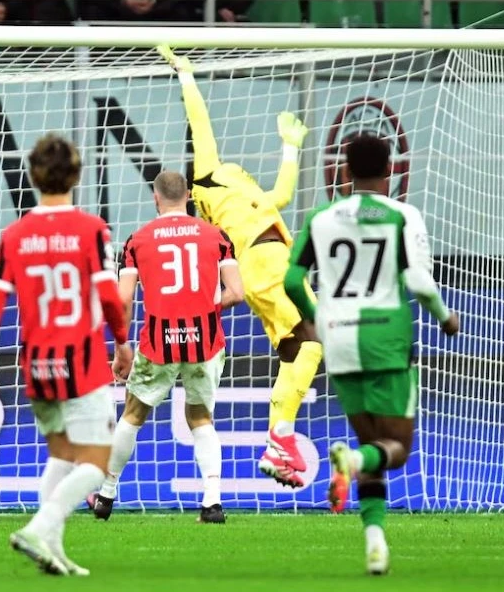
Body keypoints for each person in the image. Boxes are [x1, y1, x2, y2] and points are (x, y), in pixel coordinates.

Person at [284, 133, 459, 575]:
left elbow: (290, 281)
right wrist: (444, 316)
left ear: (344, 172)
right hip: (387, 339)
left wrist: (314, 317)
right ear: (390, 171)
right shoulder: (399, 216)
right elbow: (417, 280)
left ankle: (376, 544)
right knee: (395, 448)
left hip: (339, 338)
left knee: (372, 444)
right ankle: (355, 463)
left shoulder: (321, 218)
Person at [0, 133, 133, 576]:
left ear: (32, 176)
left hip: (36, 361)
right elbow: (109, 297)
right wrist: (121, 341)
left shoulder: (15, 234)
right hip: (79, 357)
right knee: (97, 463)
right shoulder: (91, 230)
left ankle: (51, 551)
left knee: (61, 454)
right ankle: (40, 528)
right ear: (77, 176)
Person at [159, 45, 322, 488]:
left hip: (265, 266)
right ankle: (280, 437)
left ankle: (277, 446)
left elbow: (282, 197)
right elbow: (201, 124)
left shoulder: (243, 191)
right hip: (267, 262)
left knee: (293, 352)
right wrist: (187, 76)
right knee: (317, 341)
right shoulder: (208, 176)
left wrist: (290, 149)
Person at [86, 171, 244, 524]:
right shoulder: (216, 237)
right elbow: (237, 292)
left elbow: (123, 298)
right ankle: (212, 502)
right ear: (188, 195)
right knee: (201, 417)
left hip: (159, 342)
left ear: (155, 198)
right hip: (205, 341)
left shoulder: (137, 241)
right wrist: (202, 305)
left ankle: (106, 495)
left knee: (133, 415)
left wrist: (121, 346)